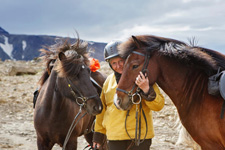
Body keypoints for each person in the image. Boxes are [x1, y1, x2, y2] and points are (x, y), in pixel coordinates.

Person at [92, 40, 165, 150]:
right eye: (114, 63)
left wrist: (146, 89)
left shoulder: (142, 78)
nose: (118, 66)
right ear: (110, 65)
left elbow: (158, 106)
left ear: (127, 59)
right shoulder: (108, 82)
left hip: (140, 137)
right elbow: (103, 110)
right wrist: (98, 135)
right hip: (115, 136)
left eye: (121, 61)